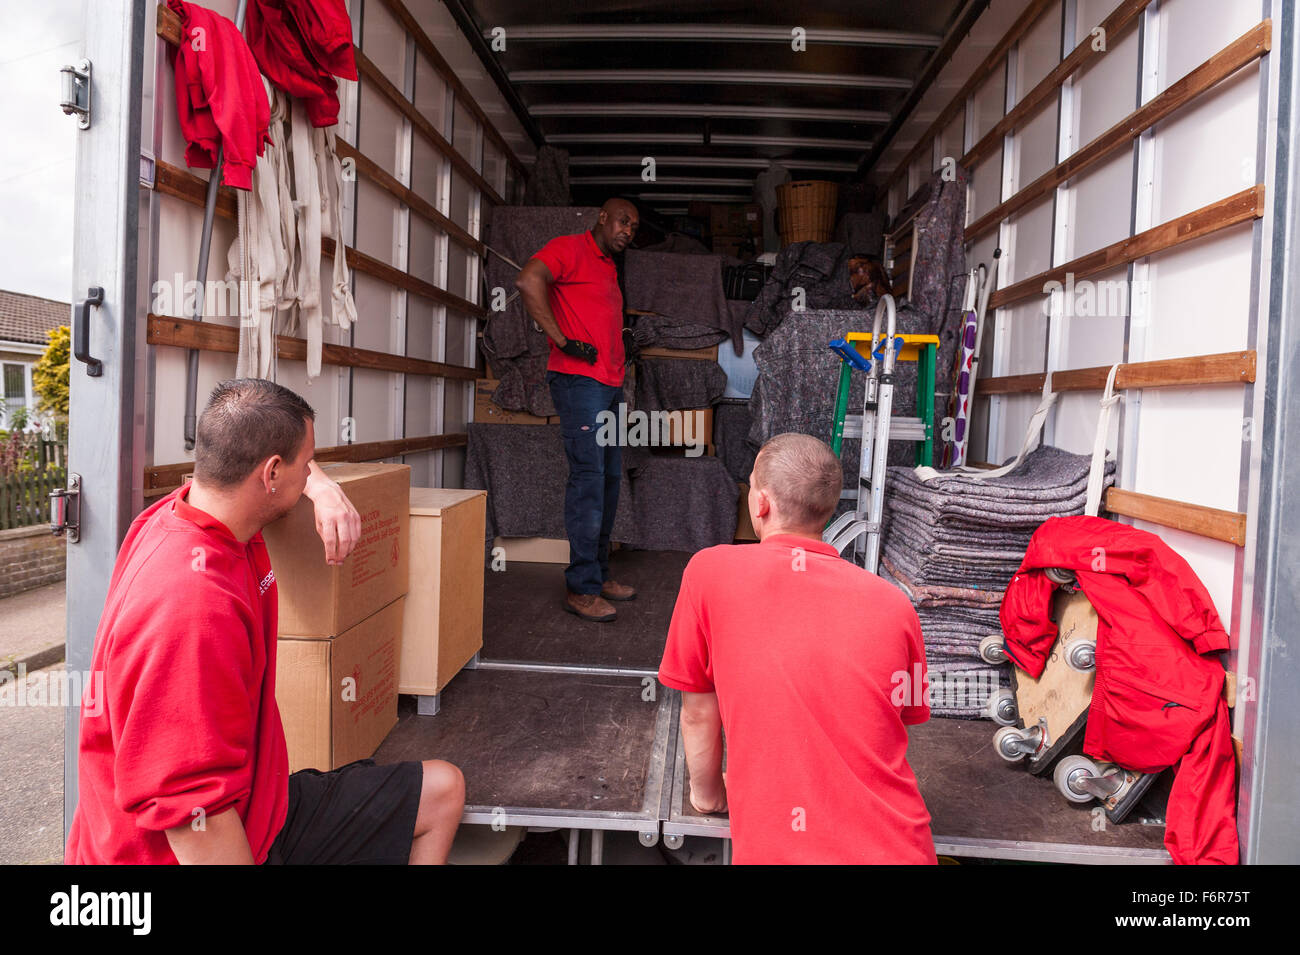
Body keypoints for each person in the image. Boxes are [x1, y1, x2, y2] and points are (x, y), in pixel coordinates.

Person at [66, 378, 465, 864]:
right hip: (187, 848)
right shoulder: (192, 607)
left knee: (440, 789)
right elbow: (195, 819)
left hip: (259, 808)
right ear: (271, 473)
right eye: (307, 463)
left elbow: (261, 448)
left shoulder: (184, 516)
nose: (313, 475)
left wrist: (318, 484)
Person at [657, 433, 937, 864]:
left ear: (761, 503)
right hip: (901, 848)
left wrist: (707, 795)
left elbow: (698, 711)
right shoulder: (895, 604)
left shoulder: (709, 573)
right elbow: (895, 721)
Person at [515, 197, 640, 623]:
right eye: (623, 221)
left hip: (608, 385)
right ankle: (580, 589)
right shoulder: (570, 248)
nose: (628, 230)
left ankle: (599, 575)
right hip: (579, 382)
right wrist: (563, 341)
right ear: (602, 217)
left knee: (607, 480)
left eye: (634, 227)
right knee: (588, 480)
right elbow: (528, 281)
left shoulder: (608, 267)